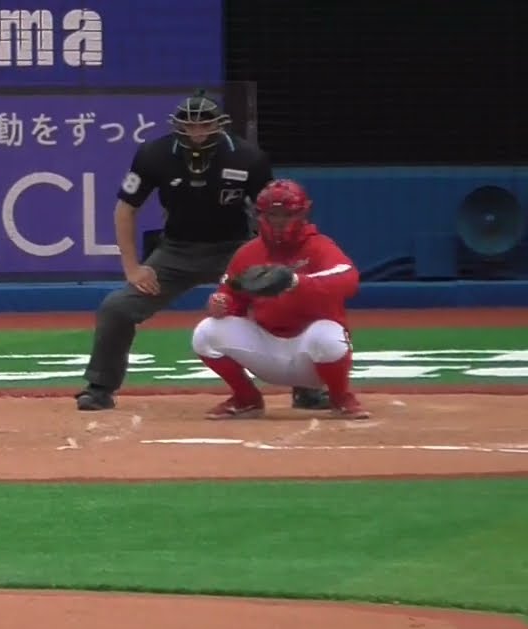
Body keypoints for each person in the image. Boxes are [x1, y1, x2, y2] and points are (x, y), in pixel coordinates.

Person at [74, 90, 330, 412]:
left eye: (204, 125)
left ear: (219, 124)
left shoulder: (248, 157)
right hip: (175, 252)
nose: (197, 132)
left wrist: (271, 260)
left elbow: (270, 212)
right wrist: (133, 268)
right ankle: (100, 388)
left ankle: (306, 388)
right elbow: (126, 208)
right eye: (189, 125)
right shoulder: (154, 154)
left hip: (236, 250)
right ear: (177, 125)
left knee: (286, 296)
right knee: (117, 308)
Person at [191, 178, 370, 420]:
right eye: (272, 215)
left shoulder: (319, 246)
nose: (279, 221)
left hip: (311, 357)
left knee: (328, 334)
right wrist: (221, 303)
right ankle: (246, 399)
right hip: (267, 350)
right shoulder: (249, 253)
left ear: (302, 213)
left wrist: (294, 281)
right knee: (206, 332)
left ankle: (340, 398)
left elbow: (348, 279)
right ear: (260, 215)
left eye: (287, 215)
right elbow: (231, 294)